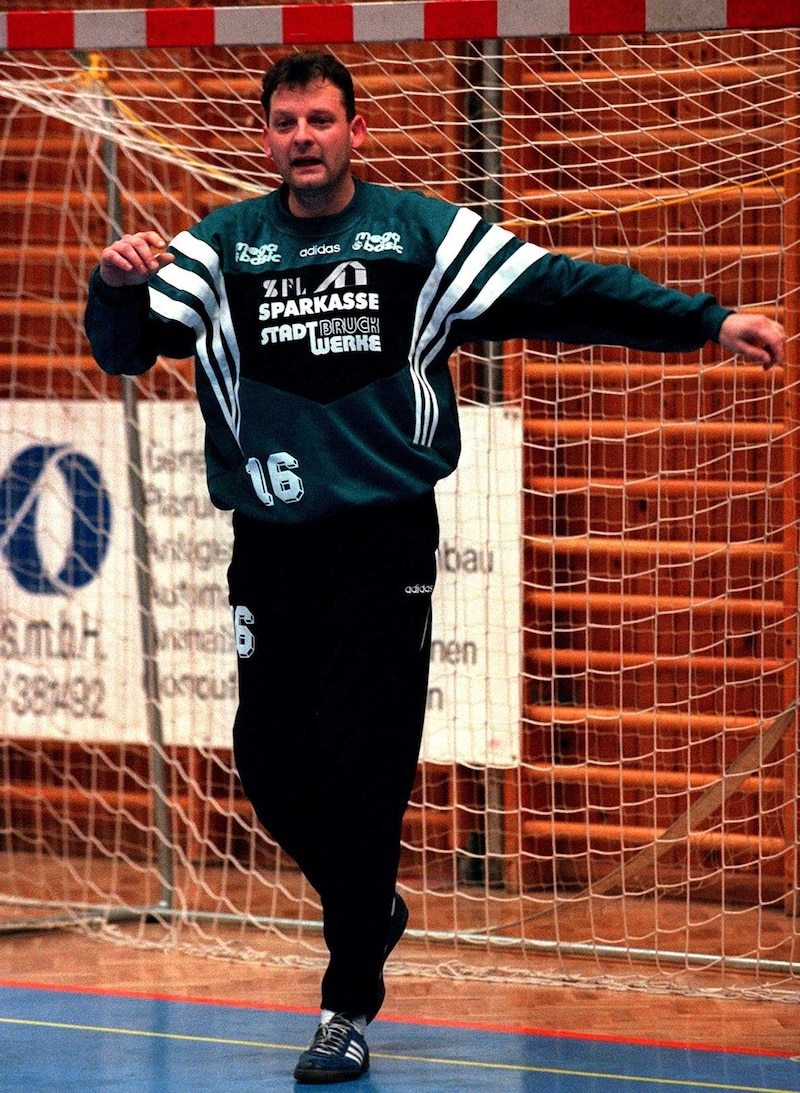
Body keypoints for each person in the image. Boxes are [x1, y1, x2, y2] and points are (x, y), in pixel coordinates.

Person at [84, 50, 785, 1085]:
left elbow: (559, 288)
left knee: (365, 772)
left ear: (354, 131)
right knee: (273, 770)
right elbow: (125, 350)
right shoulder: (220, 245)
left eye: (320, 119)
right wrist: (110, 283)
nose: (302, 138)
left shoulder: (420, 236)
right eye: (284, 122)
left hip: (384, 543)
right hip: (269, 547)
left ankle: (344, 1002)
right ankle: (372, 907)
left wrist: (705, 320)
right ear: (266, 136)